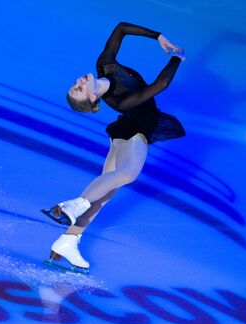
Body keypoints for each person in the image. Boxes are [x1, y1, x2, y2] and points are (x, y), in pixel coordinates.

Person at [41, 22, 187, 273]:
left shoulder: (104, 65)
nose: (78, 81)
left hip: (127, 129)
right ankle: (73, 205)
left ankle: (68, 241)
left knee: (105, 193)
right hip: (135, 131)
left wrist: (158, 37)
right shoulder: (121, 101)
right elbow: (159, 85)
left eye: (75, 84)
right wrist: (177, 58)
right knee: (128, 174)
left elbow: (120, 29)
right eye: (79, 88)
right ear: (91, 98)